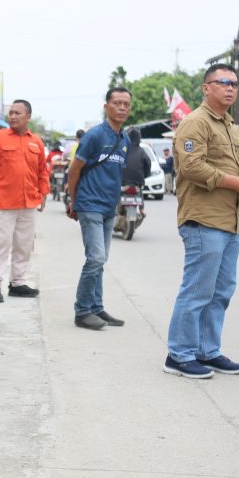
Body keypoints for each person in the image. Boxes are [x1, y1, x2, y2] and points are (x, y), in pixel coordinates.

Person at [163, 63, 239, 379]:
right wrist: (237, 183)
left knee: (220, 291)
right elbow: (191, 167)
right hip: (203, 219)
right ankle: (178, 355)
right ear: (207, 88)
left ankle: (207, 351)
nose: (230, 87)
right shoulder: (195, 123)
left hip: (229, 220)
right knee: (197, 290)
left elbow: (227, 168)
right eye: (223, 82)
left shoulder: (231, 126)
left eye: (234, 83)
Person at [66, 88, 132, 330]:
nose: (122, 107)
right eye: (117, 103)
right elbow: (74, 171)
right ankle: (82, 311)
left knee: (100, 260)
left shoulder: (124, 139)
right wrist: (74, 201)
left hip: (108, 208)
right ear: (107, 106)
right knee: (95, 258)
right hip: (89, 204)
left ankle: (96, 307)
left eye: (126, 104)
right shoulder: (94, 136)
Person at [0, 99, 49, 304]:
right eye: (11, 113)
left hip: (28, 203)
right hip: (2, 202)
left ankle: (17, 283)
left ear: (28, 117)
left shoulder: (36, 141)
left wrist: (43, 193)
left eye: (17, 113)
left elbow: (42, 170)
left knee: (24, 245)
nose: (12, 116)